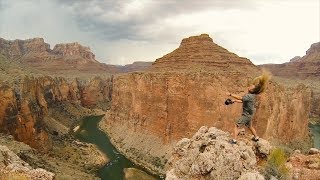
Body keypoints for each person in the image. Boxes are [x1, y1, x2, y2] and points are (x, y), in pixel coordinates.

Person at [226, 71, 271, 144]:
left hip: (246, 115)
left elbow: (241, 98)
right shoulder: (252, 96)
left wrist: (230, 94)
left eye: (250, 87)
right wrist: (235, 101)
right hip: (250, 115)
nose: (249, 86)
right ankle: (256, 138)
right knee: (250, 126)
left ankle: (234, 140)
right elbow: (243, 101)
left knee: (236, 125)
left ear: (252, 90)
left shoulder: (248, 96)